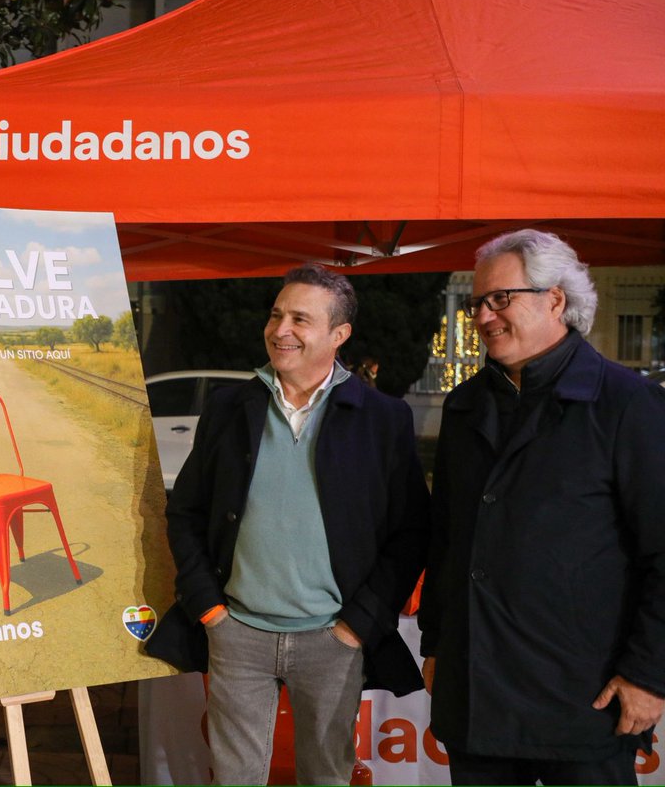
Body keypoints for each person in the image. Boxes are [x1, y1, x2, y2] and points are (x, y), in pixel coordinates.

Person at [156, 264, 429, 785]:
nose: (280, 330)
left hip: (334, 639)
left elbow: (411, 531)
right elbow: (186, 512)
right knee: (233, 779)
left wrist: (357, 626)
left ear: (339, 333)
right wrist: (210, 609)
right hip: (237, 633)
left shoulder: (382, 418)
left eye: (300, 319)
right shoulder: (228, 407)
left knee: (327, 776)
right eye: (276, 315)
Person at [419, 229, 665, 784]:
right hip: (477, 696)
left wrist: (650, 675)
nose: (483, 317)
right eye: (478, 303)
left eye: (500, 298)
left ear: (555, 299)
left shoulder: (627, 405)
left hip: (585, 702)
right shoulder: (464, 406)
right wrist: (437, 644)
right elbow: (447, 539)